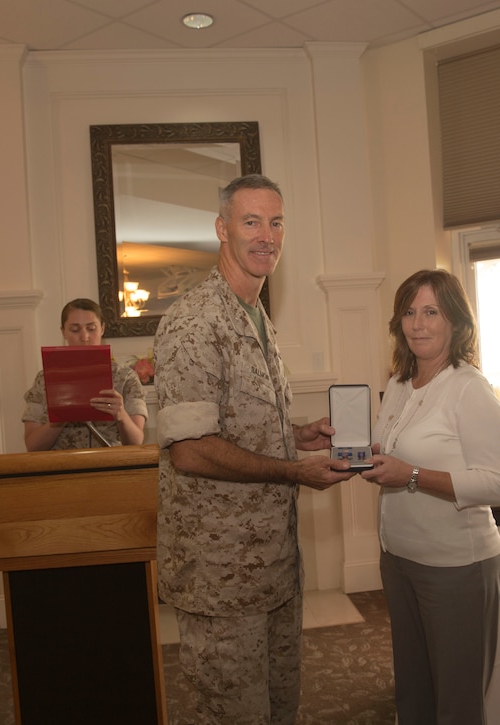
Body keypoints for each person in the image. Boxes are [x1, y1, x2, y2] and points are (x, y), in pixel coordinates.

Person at [154, 174, 356, 724]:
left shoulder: (256, 317)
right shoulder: (196, 322)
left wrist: (297, 433)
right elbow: (191, 451)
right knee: (232, 715)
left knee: (277, 709)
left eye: (276, 222)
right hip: (220, 578)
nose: (266, 235)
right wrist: (294, 469)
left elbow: (239, 425)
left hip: (272, 568)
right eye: (251, 222)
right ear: (222, 229)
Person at [360, 268, 500, 725]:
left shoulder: (471, 389)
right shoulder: (401, 385)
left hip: (457, 568)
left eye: (431, 311)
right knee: (414, 695)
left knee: (457, 703)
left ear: (455, 322)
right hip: (399, 559)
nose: (418, 323)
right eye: (409, 312)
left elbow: (496, 484)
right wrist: (363, 456)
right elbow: (394, 450)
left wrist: (411, 475)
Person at [22, 298, 147, 450]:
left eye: (91, 328)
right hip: (61, 467)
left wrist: (121, 415)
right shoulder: (44, 380)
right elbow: (32, 446)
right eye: (75, 330)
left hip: (111, 466)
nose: (84, 337)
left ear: (102, 328)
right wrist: (58, 419)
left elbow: (136, 442)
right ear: (63, 332)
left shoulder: (126, 378)